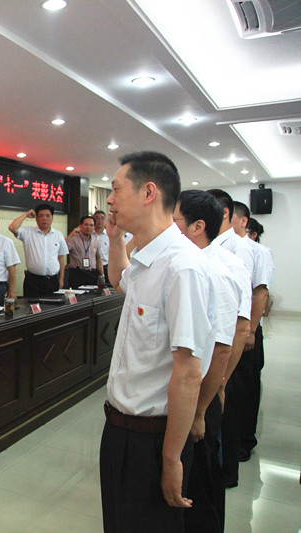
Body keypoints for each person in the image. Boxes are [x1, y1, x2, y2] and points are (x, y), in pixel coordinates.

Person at [101, 151, 214, 533]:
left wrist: (171, 458)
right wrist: (115, 240)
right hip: (119, 430)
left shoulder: (182, 267)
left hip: (152, 441)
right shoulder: (145, 259)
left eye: (116, 190)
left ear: (149, 192)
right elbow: (119, 279)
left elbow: (189, 372)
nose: (109, 200)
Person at [173, 190, 240, 533]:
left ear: (197, 227)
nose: (169, 229)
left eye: (174, 222)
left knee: (200, 489)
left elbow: (223, 349)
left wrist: (199, 411)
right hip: (186, 396)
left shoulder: (216, 271)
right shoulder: (187, 265)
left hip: (199, 398)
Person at [206, 189, 257, 487]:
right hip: (218, 351)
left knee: (228, 407)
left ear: (222, 213)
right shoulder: (213, 247)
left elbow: (241, 318)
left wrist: (222, 378)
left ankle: (226, 472)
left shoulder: (236, 250)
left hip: (227, 349)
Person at [231, 201, 274, 462]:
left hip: (248, 328)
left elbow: (261, 292)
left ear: (242, 221)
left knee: (246, 385)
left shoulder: (259, 251)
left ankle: (245, 440)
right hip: (232, 329)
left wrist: (251, 331)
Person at [8, 203, 67, 297]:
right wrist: (26, 215)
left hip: (52, 280)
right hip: (33, 281)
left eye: (47, 216)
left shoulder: (58, 235)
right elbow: (12, 227)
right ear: (36, 218)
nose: (44, 218)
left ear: (52, 218)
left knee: (52, 305)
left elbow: (61, 258)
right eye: (41, 216)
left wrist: (61, 279)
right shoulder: (28, 232)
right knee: (32, 305)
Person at [65, 215, 104, 288]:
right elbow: (62, 249)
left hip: (92, 273)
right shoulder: (73, 238)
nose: (88, 227)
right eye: (86, 225)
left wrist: (101, 275)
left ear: (94, 227)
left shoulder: (95, 239)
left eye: (91, 225)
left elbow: (98, 259)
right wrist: (71, 235)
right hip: (77, 273)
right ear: (80, 225)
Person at [92, 210, 111, 280]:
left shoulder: (109, 236)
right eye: (97, 218)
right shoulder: (88, 235)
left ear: (105, 221)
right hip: (92, 268)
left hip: (106, 266)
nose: (99, 220)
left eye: (102, 218)